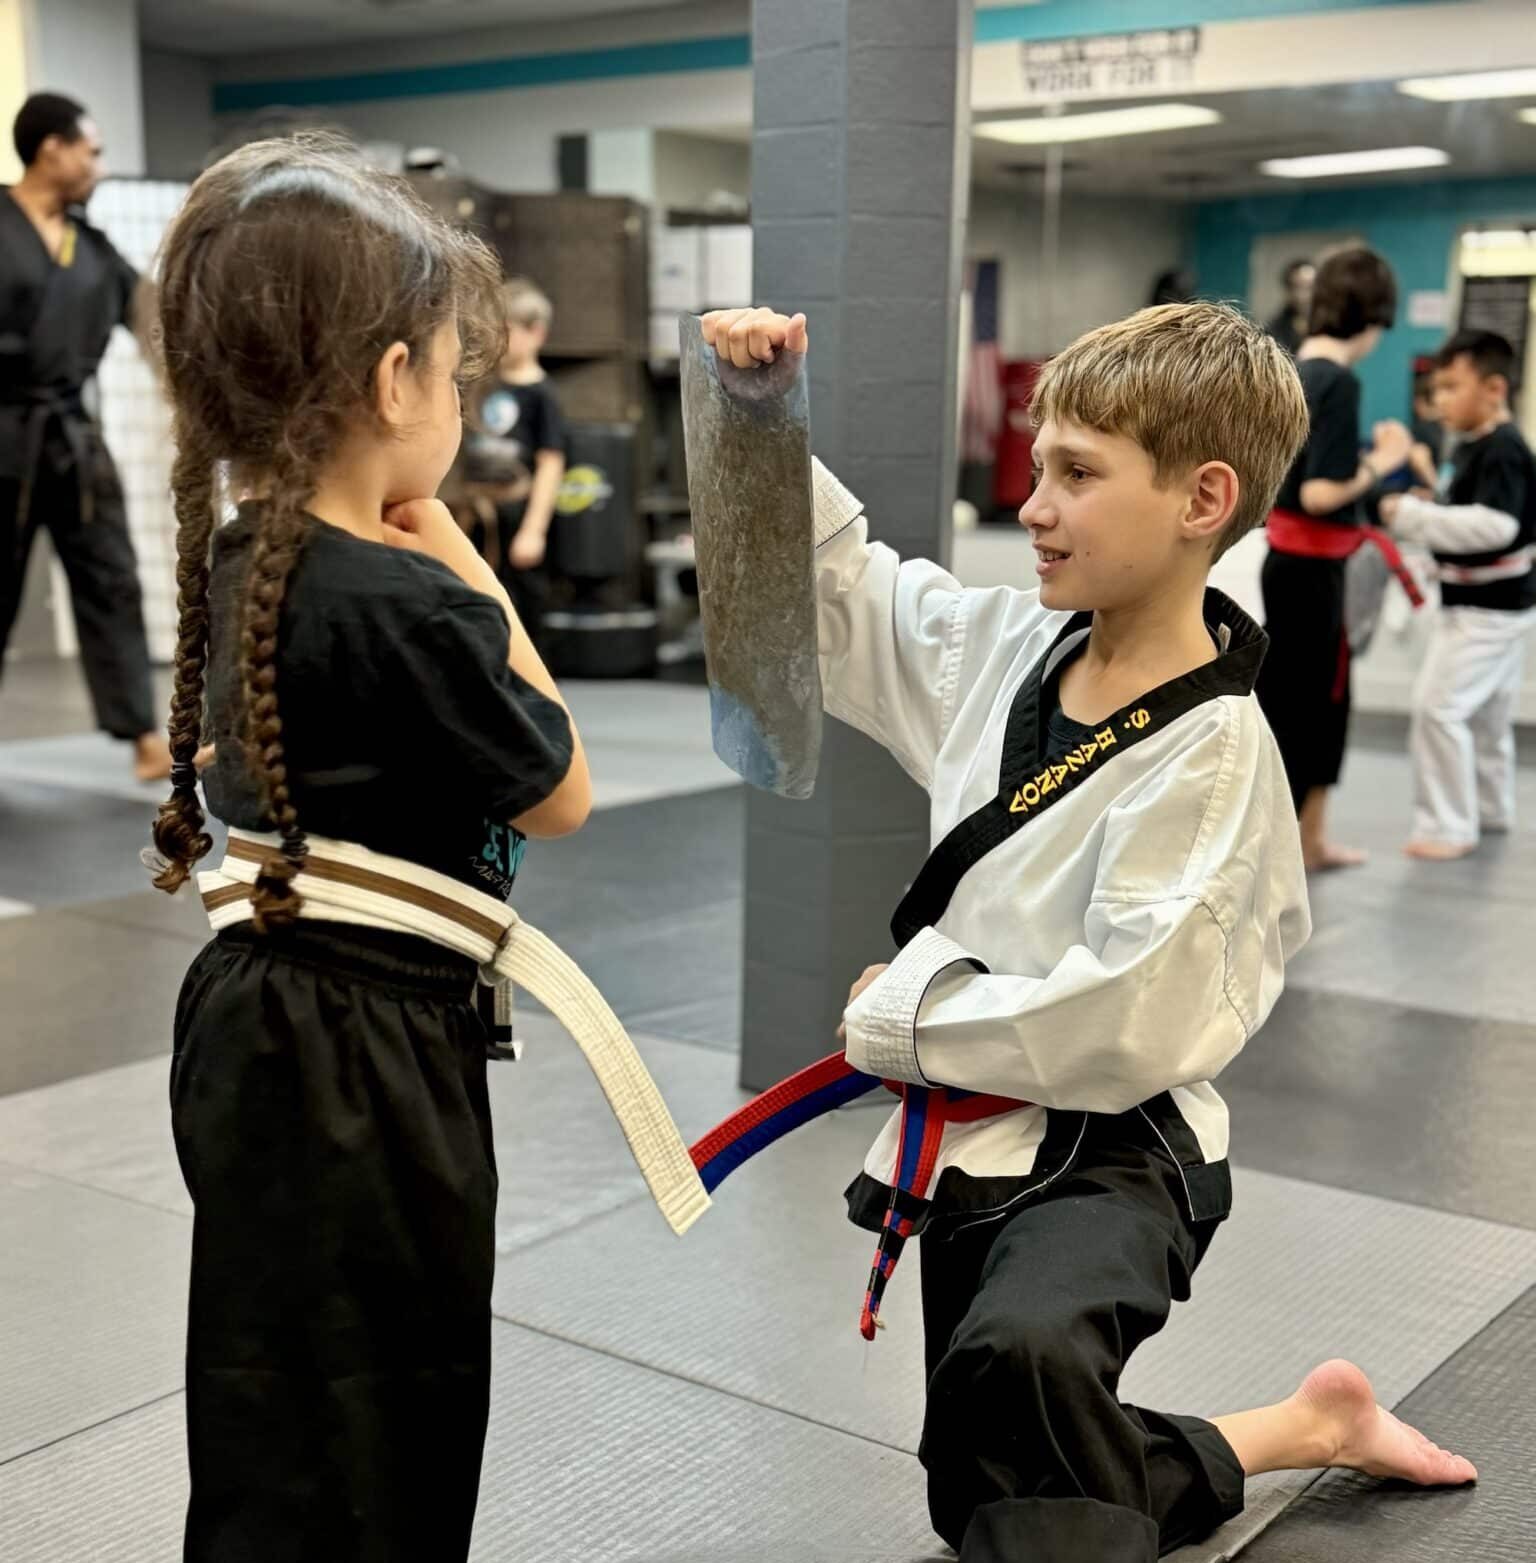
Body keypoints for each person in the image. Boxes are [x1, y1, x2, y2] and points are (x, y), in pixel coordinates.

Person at [699, 302, 1475, 1563]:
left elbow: (1128, 1018)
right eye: (1038, 466)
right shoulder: (1005, 648)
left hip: (1121, 1146)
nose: (1034, 506)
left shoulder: (1215, 761)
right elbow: (844, 596)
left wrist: (903, 1016)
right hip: (980, 1134)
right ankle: (1303, 1427)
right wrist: (756, 417)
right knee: (985, 1483)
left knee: (1026, 1357)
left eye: (1076, 474)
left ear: (1202, 499)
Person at [145, 135, 591, 1561]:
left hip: (250, 1018)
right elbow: (562, 786)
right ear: (394, 383)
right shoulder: (412, 602)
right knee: (396, 1389)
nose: (459, 399)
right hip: (377, 1052)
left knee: (266, 1379)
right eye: (456, 375)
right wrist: (452, 544)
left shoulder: (243, 559)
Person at [1, 92, 172, 779]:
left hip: (74, 437)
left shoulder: (91, 246)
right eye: (91, 151)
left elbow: (153, 318)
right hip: (2, 436)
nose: (98, 166)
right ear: (52, 148)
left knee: (112, 578)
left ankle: (142, 734)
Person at [1255, 246, 1414, 870]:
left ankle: (1304, 839)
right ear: (1370, 315)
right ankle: (1290, 847)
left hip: (1289, 566)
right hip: (1313, 570)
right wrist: (1384, 462)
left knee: (1300, 701)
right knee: (1311, 705)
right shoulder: (1338, 381)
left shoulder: (1292, 370)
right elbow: (1321, 493)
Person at [1381, 329, 1536, 859]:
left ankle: (1448, 826)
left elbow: (1496, 526)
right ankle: (1491, 808)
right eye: (1436, 388)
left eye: (1451, 387)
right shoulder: (1474, 446)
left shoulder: (1503, 448)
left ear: (1494, 389)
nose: (1439, 400)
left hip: (1487, 612)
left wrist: (1412, 515)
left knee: (1438, 709)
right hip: (1497, 607)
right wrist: (1432, 504)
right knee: (1488, 716)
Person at [459, 277, 567, 649]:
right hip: (477, 510)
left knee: (521, 610)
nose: (499, 339)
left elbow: (550, 464)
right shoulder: (483, 386)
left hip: (518, 511)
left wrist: (533, 529)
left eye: (507, 330)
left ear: (536, 333)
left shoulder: (542, 394)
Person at [1265, 258, 1315, 357]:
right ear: (1288, 290)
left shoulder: (1331, 327)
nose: (1304, 296)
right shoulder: (1274, 332)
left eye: (1310, 287)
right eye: (1298, 287)